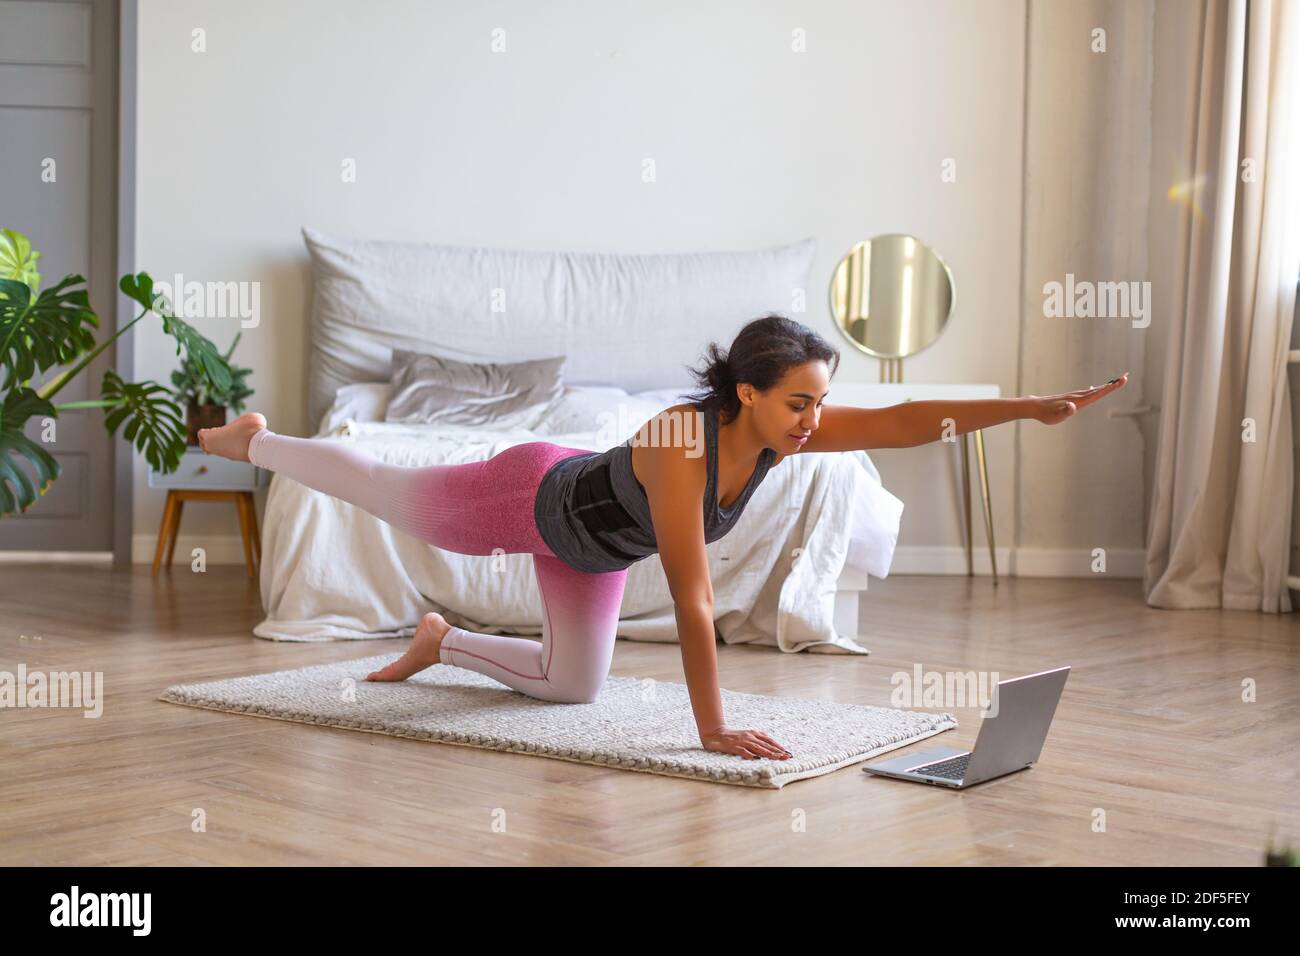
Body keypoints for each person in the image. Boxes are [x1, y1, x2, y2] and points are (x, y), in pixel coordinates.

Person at [197, 313, 1128, 760]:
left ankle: (445, 638)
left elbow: (905, 418)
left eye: (821, 401)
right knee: (385, 488)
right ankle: (260, 439)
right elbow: (691, 594)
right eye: (801, 401)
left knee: (572, 688)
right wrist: (712, 727)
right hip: (529, 496)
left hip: (588, 552)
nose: (816, 420)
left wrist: (1029, 410)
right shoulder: (683, 444)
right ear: (749, 393)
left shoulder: (780, 428)